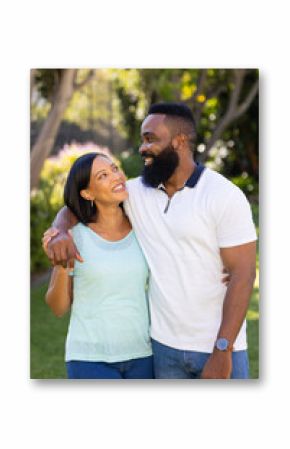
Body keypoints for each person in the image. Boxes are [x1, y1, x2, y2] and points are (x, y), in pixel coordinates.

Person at [44, 102, 257, 379]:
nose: (142, 148)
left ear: (179, 141)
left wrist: (222, 349)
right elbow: (77, 204)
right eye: (142, 139)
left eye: (150, 139)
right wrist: (59, 230)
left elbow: (243, 274)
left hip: (218, 347)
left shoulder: (223, 195)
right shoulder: (136, 192)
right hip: (163, 349)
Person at [45, 152, 154, 379]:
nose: (116, 177)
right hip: (89, 358)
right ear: (87, 193)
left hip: (143, 354)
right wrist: (62, 264)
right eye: (103, 176)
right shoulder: (75, 236)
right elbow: (58, 308)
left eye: (115, 169)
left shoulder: (143, 227)